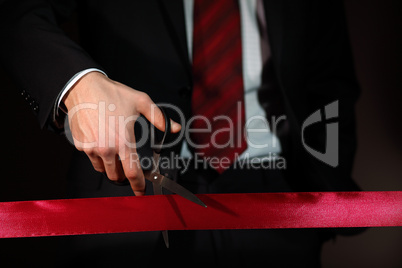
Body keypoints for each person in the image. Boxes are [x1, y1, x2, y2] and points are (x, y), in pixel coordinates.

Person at [0, 0, 364, 267]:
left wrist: (325, 198)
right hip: (129, 195)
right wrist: (76, 86)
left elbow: (330, 80)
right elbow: (16, 13)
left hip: (279, 198)